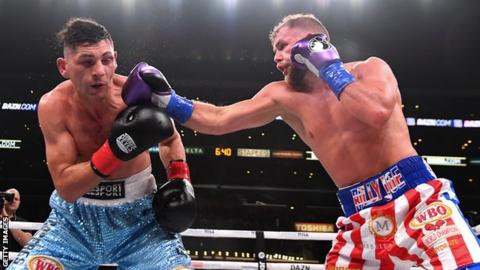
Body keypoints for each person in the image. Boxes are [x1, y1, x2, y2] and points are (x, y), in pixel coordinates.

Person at [121, 13, 480, 269]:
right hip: (359, 219)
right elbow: (217, 120)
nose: (276, 58)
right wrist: (166, 99)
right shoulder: (282, 96)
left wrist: (329, 66)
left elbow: (374, 112)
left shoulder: (370, 69)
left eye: (282, 46)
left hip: (418, 202)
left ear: (312, 42)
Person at [7, 17, 195, 270]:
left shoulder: (138, 95)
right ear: (64, 67)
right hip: (73, 222)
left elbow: (170, 138)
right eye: (86, 62)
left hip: (140, 221)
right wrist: (115, 151)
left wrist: (180, 178)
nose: (99, 71)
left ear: (115, 58)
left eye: (106, 59)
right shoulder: (54, 106)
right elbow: (67, 187)